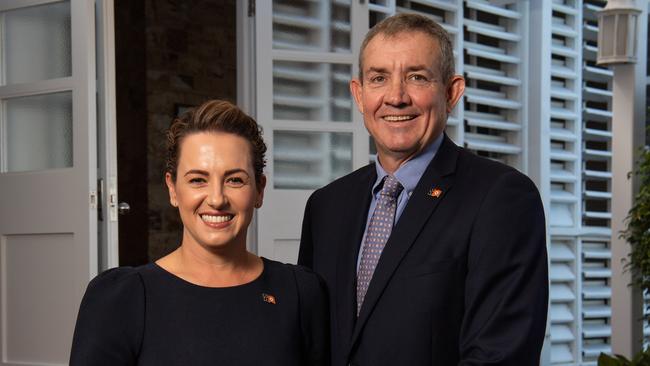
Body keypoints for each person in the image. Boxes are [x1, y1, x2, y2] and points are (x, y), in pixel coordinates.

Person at [298, 13, 548, 366]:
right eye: (379, 78)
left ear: (451, 92)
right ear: (359, 94)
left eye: (416, 77)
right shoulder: (326, 206)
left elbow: (501, 355)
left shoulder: (502, 199)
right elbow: (310, 342)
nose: (396, 97)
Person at [70, 100, 329, 366]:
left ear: (259, 190)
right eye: (197, 180)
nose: (216, 199)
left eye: (235, 180)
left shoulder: (301, 292)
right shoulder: (121, 299)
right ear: (172, 188)